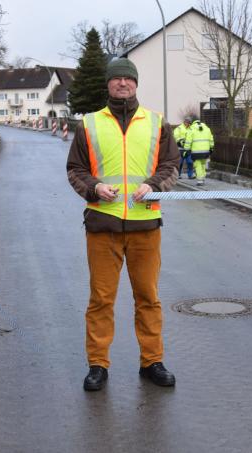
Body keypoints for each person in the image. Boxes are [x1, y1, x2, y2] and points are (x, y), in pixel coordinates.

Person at [66, 58, 180, 391]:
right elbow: (75, 169)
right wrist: (94, 188)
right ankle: (98, 364)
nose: (122, 84)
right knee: (101, 299)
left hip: (146, 224)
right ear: (108, 84)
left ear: (136, 84)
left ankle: (152, 361)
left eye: (127, 79)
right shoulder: (88, 124)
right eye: (116, 78)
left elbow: (171, 164)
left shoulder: (157, 123)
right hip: (103, 223)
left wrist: (155, 185)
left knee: (148, 297)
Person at [184, 118, 214, 186]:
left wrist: (186, 149)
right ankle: (203, 177)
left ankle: (200, 180)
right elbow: (211, 139)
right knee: (203, 164)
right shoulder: (207, 128)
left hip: (195, 151)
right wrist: (211, 148)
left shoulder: (191, 129)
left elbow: (188, 141)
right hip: (206, 151)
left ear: (193, 123)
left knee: (197, 165)